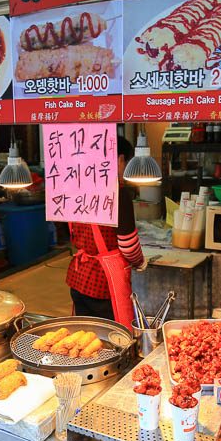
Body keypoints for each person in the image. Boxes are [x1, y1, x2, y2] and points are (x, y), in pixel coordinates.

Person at [66, 136, 147, 324]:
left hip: (78, 278)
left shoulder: (76, 186)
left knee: (86, 336)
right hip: (103, 283)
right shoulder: (117, 192)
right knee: (112, 339)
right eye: (127, 162)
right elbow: (128, 245)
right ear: (120, 159)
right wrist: (140, 262)